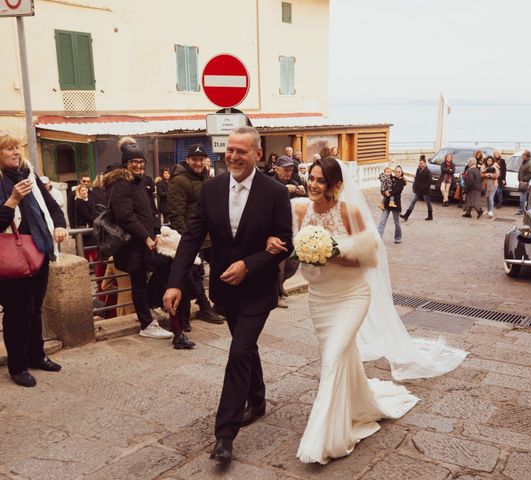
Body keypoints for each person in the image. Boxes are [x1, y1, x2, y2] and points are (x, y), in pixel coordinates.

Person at [266, 157, 467, 464]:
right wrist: (283, 245)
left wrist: (330, 252)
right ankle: (359, 403)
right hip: (320, 299)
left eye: (321, 180)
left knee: (333, 357)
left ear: (336, 186)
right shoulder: (299, 209)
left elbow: (368, 258)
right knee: (339, 356)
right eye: (312, 178)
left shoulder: (350, 212)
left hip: (351, 295)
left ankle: (325, 438)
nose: (314, 185)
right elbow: (279, 235)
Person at [163, 126, 293, 464]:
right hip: (224, 288)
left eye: (242, 151)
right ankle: (258, 398)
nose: (233, 156)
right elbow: (191, 238)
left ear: (257, 155)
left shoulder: (275, 192)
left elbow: (284, 244)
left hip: (259, 289)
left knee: (238, 353)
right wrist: (175, 282)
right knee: (245, 347)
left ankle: (225, 435)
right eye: (230, 150)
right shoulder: (211, 189)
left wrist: (250, 265)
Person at [0, 131, 68, 387]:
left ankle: (36, 355)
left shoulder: (30, 176)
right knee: (18, 311)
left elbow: (52, 207)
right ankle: (17, 366)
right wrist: (13, 200)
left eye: (17, 147)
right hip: (9, 257)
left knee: (35, 307)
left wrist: (59, 226)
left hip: (38, 250)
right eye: (8, 149)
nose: (16, 152)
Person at [103, 137, 173, 339]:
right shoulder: (121, 184)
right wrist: (145, 237)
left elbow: (148, 211)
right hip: (132, 244)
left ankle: (146, 312)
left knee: (156, 271)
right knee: (139, 283)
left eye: (141, 162)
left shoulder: (139, 182)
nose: (138, 165)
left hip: (145, 241)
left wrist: (156, 232)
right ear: (126, 163)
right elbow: (126, 216)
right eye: (134, 162)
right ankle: (146, 323)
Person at [168, 144, 224, 325]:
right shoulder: (180, 181)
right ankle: (204, 307)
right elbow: (176, 213)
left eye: (201, 159)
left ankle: (219, 304)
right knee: (194, 275)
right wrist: (186, 240)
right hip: (192, 237)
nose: (198, 163)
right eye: (195, 159)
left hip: (211, 236)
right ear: (188, 160)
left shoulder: (206, 179)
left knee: (218, 270)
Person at [273, 155, 304, 308]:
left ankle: (280, 286)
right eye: (286, 169)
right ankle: (275, 295)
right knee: (279, 265)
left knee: (293, 262)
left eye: (291, 169)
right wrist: (284, 190)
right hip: (275, 230)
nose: (289, 172)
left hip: (292, 229)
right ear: (276, 169)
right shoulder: (270, 183)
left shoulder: (294, 182)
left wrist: (301, 190)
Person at [400, 155, 433, 221]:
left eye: (421, 163)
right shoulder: (418, 170)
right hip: (417, 190)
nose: (420, 164)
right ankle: (406, 215)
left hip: (425, 191)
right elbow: (416, 179)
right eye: (419, 163)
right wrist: (414, 186)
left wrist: (423, 187)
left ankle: (430, 215)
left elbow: (429, 181)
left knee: (428, 203)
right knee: (413, 202)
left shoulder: (428, 171)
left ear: (425, 163)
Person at [377, 165, 405, 243]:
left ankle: (398, 238)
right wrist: (384, 192)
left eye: (399, 172)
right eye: (396, 171)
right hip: (386, 203)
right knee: (382, 221)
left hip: (395, 204)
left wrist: (389, 192)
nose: (397, 173)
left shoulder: (401, 181)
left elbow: (397, 190)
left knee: (397, 222)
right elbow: (384, 185)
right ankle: (378, 237)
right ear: (394, 172)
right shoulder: (390, 178)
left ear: (401, 173)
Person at [74, 184, 98, 262]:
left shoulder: (88, 199)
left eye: (85, 190)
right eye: (82, 190)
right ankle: (89, 265)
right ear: (79, 192)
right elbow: (86, 215)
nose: (84, 192)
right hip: (84, 227)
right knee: (89, 247)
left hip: (90, 226)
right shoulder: (79, 201)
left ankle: (92, 265)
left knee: (91, 248)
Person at [516, 150, 531, 215]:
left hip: (525, 183)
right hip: (523, 182)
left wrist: (524, 179)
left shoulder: (530, 163)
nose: (522, 156)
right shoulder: (525, 161)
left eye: (523, 155)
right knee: (523, 197)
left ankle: (521, 210)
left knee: (523, 197)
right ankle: (522, 210)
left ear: (527, 156)